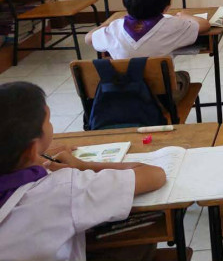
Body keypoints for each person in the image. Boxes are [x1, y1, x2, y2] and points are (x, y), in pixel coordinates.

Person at [0, 82, 166, 261]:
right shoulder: (64, 188)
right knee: (139, 243)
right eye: (48, 120)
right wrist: (82, 166)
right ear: (32, 148)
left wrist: (33, 159)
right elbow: (155, 175)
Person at [86, 0, 210, 102]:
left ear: (126, 4)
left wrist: (107, 23)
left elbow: (88, 39)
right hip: (163, 99)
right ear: (167, 6)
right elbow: (204, 25)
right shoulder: (172, 25)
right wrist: (184, 15)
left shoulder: (114, 28)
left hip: (124, 96)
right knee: (183, 75)